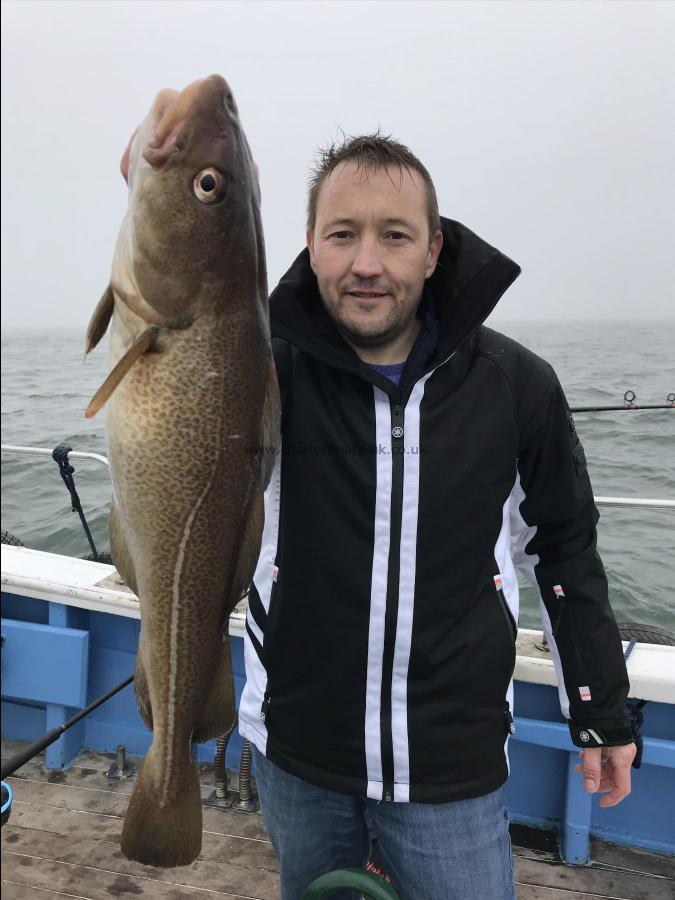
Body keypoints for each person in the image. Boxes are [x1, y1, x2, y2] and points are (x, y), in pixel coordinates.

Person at [238, 134, 636, 900]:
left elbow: (563, 549)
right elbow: (174, 335)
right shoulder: (262, 374)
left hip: (451, 762)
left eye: (394, 235)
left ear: (433, 250)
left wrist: (599, 711)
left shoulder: (515, 384)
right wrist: (178, 199)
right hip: (296, 748)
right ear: (310, 246)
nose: (366, 262)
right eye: (342, 233)